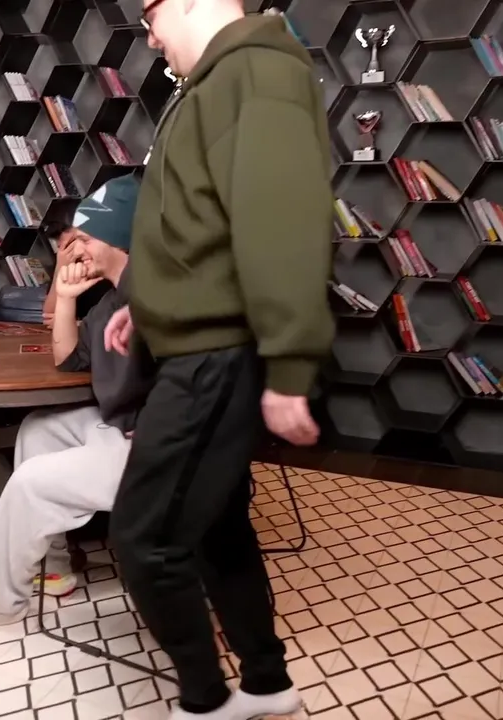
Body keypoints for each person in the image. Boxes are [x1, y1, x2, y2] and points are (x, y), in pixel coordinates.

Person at [102, 3, 334, 719]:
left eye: (148, 12)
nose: (148, 35)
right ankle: (267, 683)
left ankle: (205, 702)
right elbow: (191, 223)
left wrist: (289, 369)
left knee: (143, 537)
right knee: (212, 521)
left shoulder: (257, 74)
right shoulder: (211, 83)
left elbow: (281, 226)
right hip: (199, 344)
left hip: (216, 353)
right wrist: (144, 301)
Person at [0, 175, 152, 635]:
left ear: (117, 239)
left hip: (153, 443)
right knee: (38, 428)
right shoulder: (110, 301)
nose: (77, 250)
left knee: (29, 484)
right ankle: (55, 565)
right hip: (119, 425)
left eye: (86, 238)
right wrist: (67, 298)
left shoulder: (156, 298)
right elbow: (69, 359)